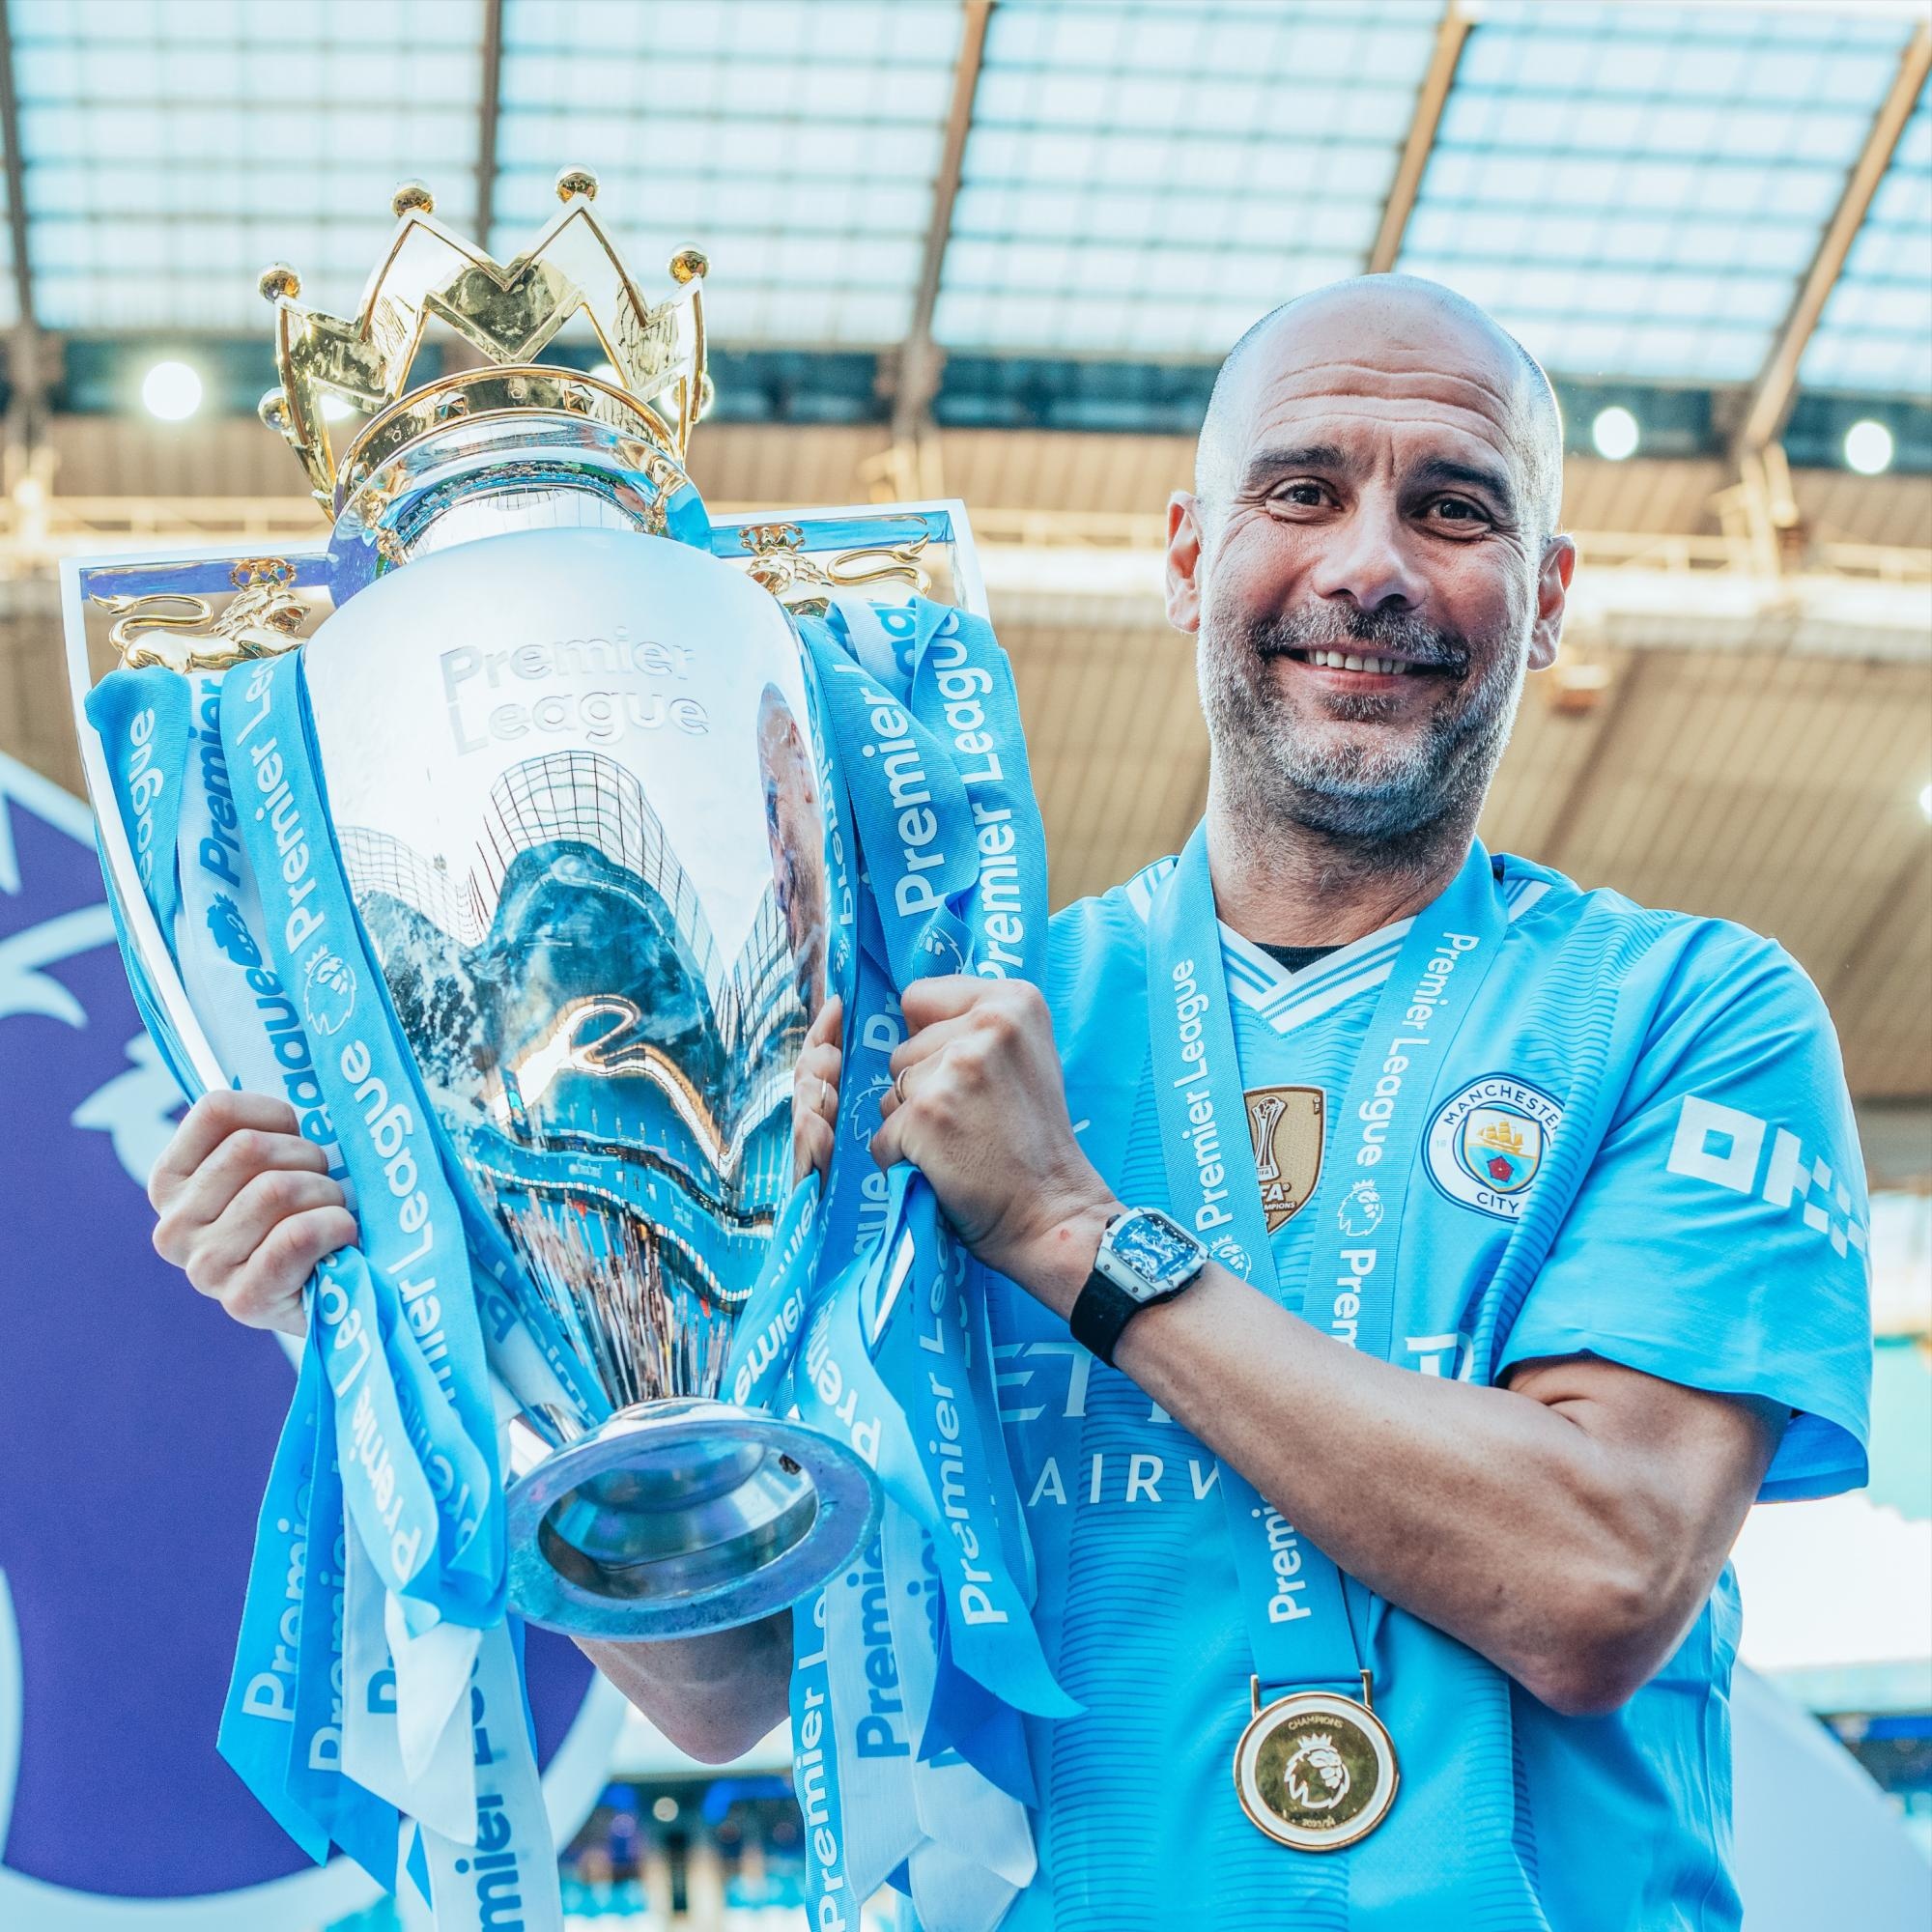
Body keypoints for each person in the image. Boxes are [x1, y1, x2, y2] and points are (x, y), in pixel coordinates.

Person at [150, 276, 1872, 1930]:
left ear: (1550, 594)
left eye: (1454, 510)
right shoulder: (930, 1035)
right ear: (1190, 561)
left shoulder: (1689, 1013)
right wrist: (388, 1319)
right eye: (1301, 490)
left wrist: (1066, 1232)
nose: (1369, 564)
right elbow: (728, 1681)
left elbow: (1599, 1583)